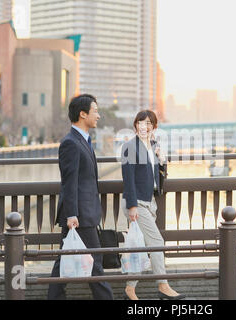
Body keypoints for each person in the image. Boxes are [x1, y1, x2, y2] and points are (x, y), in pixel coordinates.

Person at [47, 94, 114, 300]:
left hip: (84, 212)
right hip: (79, 215)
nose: (98, 115)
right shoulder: (71, 143)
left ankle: (54, 296)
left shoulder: (84, 140)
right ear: (82, 114)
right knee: (95, 263)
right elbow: (69, 182)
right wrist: (72, 214)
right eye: (95, 111)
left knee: (64, 261)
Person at [121, 110, 185, 300]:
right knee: (157, 242)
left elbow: (160, 178)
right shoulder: (129, 147)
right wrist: (132, 206)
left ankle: (129, 289)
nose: (145, 126)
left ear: (154, 127)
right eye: (141, 123)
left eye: (149, 123)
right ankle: (163, 285)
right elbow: (128, 179)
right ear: (135, 126)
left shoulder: (155, 146)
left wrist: (162, 161)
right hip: (137, 203)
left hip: (150, 202)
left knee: (141, 246)